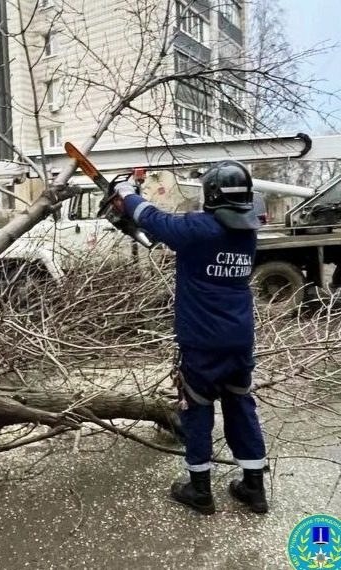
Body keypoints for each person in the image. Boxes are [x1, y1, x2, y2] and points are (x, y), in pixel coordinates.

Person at [113, 160, 268, 515]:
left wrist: (126, 195)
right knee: (241, 406)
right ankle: (254, 489)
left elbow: (155, 220)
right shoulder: (248, 233)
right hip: (239, 339)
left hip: (201, 342)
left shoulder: (201, 229)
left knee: (196, 410)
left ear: (212, 195)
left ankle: (199, 491)